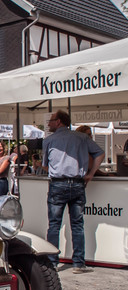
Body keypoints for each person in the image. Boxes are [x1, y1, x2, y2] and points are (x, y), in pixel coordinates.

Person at [43, 110, 104, 273]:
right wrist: (91, 173)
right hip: (77, 184)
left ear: (60, 122)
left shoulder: (49, 140)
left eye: (51, 120)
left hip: (57, 184)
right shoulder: (82, 138)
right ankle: (78, 263)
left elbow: (44, 165)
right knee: (77, 224)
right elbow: (100, 153)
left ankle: (52, 262)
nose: (49, 124)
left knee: (54, 225)